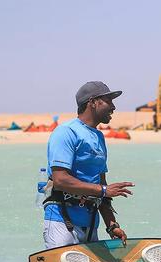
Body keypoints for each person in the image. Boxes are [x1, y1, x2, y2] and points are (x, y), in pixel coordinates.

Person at [42, 81, 134, 249]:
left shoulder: (99, 137)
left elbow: (102, 185)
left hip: (91, 223)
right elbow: (60, 179)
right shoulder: (66, 132)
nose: (113, 107)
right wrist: (104, 191)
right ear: (92, 102)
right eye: (108, 100)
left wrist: (111, 225)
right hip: (62, 220)